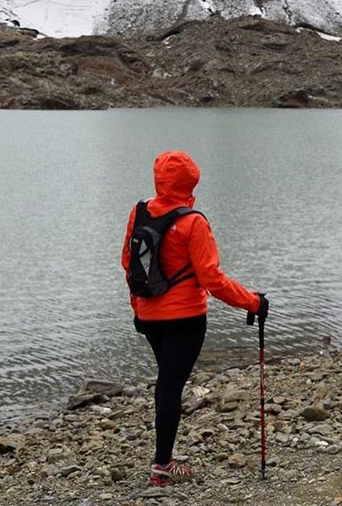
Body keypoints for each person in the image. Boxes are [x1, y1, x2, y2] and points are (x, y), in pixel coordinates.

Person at [121, 149, 268, 488]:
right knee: (171, 385)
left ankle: (164, 460)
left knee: (166, 382)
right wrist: (254, 303)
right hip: (186, 319)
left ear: (158, 178)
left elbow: (128, 264)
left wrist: (137, 309)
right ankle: (161, 469)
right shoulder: (193, 222)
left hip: (150, 315)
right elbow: (213, 281)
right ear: (192, 180)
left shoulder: (139, 211)